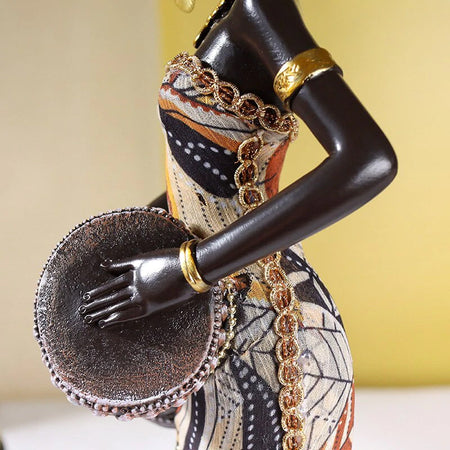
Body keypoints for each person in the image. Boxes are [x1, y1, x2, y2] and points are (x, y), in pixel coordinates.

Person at [79, 1, 398, 448]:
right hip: (209, 309)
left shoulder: (263, 8)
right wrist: (133, 246)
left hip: (261, 322)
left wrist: (187, 269)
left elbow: (369, 160)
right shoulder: (237, 13)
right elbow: (201, 187)